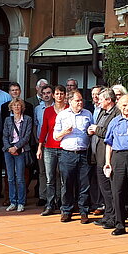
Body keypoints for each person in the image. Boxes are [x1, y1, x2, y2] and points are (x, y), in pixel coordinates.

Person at [103, 95, 128, 236]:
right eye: (124, 105)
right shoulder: (114, 122)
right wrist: (108, 162)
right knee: (117, 191)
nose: (127, 108)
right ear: (119, 106)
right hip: (118, 157)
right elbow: (109, 143)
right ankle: (120, 224)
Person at [53, 90, 93, 223]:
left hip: (83, 153)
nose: (80, 102)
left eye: (81, 100)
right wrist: (65, 132)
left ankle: (84, 211)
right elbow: (55, 136)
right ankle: (66, 210)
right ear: (70, 101)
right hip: (67, 154)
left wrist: (90, 132)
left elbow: (91, 132)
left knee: (84, 184)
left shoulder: (88, 114)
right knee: (67, 183)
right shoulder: (62, 115)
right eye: (77, 100)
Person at [89, 89, 119, 229]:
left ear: (108, 100)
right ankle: (107, 215)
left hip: (109, 158)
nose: (98, 100)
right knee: (103, 188)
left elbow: (112, 134)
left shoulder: (116, 113)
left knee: (109, 189)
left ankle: (113, 217)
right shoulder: (102, 111)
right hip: (98, 156)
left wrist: (97, 130)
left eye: (101, 99)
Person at [37, 85, 67, 216]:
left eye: (61, 93)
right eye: (57, 94)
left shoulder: (68, 109)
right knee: (50, 178)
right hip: (49, 147)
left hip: (65, 147)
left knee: (63, 178)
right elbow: (44, 129)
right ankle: (49, 204)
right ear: (53, 96)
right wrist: (39, 147)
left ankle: (61, 202)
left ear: (65, 95)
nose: (59, 96)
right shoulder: (48, 111)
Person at [2, 99, 34, 211]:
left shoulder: (27, 119)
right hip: (8, 151)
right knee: (10, 178)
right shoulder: (7, 120)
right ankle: (12, 201)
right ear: (11, 107)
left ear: (22, 107)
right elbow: (4, 135)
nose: (16, 107)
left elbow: (27, 137)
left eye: (19, 105)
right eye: (14, 105)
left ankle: (21, 202)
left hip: (21, 150)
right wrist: (9, 148)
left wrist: (16, 147)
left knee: (20, 178)